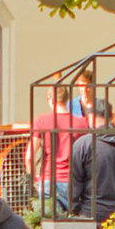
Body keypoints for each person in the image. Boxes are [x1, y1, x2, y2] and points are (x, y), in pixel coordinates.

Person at [68, 99, 115, 225]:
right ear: (111, 116)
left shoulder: (84, 145)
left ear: (90, 116)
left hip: (90, 214)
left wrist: (74, 212)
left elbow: (75, 184)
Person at [30, 78, 96, 208]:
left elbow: (29, 156)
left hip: (49, 178)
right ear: (66, 100)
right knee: (72, 223)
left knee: (48, 223)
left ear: (50, 100)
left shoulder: (41, 121)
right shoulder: (82, 123)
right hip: (73, 180)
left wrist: (33, 179)